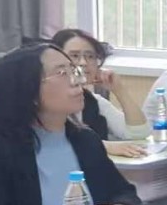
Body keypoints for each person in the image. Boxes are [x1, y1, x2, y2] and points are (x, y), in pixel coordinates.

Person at [0, 45, 144, 205]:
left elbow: (125, 194)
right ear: (28, 90)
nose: (77, 80)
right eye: (62, 73)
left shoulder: (85, 141)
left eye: (73, 71)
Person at [50, 28, 147, 158]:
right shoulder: (46, 101)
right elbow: (53, 142)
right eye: (75, 56)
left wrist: (119, 90)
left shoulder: (93, 101)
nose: (83, 63)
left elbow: (139, 134)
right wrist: (104, 146)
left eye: (90, 56)